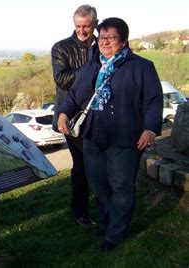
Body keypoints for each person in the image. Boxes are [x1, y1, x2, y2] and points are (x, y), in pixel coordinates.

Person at [57, 17, 163, 251]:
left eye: (111, 38)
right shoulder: (92, 65)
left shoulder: (141, 67)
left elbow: (154, 101)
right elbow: (74, 95)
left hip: (125, 138)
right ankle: (106, 222)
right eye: (102, 37)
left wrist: (151, 128)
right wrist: (64, 113)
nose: (104, 42)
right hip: (94, 137)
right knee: (99, 184)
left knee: (121, 186)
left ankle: (115, 235)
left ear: (124, 41)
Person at [51, 4, 98, 227]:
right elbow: (61, 78)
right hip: (72, 117)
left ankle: (102, 204)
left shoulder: (104, 44)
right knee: (81, 164)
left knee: (99, 163)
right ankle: (79, 211)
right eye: (78, 26)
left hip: (99, 115)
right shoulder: (61, 47)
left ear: (95, 24)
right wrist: (94, 69)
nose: (81, 31)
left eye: (86, 26)